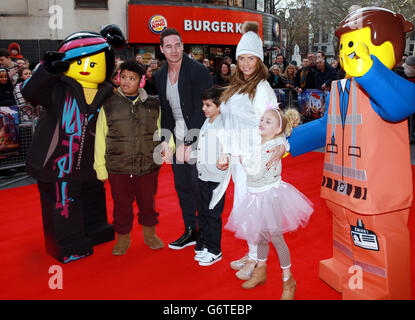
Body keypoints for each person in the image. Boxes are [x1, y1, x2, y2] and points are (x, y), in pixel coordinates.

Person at [21, 25, 125, 263]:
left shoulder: (109, 94)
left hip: (91, 160)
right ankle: (68, 241)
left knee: (92, 195)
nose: (87, 69)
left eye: (93, 63)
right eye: (80, 63)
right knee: (63, 199)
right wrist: (46, 71)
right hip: (58, 161)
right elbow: (30, 91)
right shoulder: (57, 89)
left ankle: (96, 228)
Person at [216, 21, 287, 281]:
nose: (246, 63)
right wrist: (225, 150)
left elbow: (274, 123)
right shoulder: (236, 86)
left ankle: (258, 262)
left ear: (260, 60)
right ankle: (252, 254)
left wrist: (274, 150)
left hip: (253, 161)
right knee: (245, 210)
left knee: (253, 212)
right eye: (242, 58)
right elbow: (227, 123)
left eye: (251, 58)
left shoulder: (261, 88)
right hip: (239, 160)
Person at [225, 106, 313, 298]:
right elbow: (280, 142)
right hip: (257, 196)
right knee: (262, 235)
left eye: (268, 121)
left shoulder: (269, 148)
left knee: (276, 237)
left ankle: (288, 280)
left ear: (277, 130)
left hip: (269, 197)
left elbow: (255, 171)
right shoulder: (266, 143)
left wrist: (243, 159)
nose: (262, 123)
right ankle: (261, 271)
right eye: (262, 119)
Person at [94, 59, 163, 255]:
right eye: (122, 77)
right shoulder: (109, 105)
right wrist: (100, 166)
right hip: (119, 167)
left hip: (148, 166)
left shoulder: (153, 104)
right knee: (121, 206)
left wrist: (169, 147)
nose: (125, 82)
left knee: (148, 204)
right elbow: (100, 137)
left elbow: (161, 131)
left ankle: (150, 235)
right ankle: (123, 238)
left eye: (131, 78)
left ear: (141, 81)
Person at [153, 27, 213, 250]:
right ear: (161, 49)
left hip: (200, 134)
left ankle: (206, 234)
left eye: (177, 45)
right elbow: (165, 112)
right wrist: (165, 141)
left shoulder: (197, 70)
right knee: (182, 186)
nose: (174, 50)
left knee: (199, 186)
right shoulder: (159, 76)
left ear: (183, 45)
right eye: (168, 46)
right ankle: (190, 230)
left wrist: (190, 141)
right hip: (177, 135)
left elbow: (206, 107)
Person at [186, 85, 228, 266]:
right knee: (203, 211)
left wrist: (224, 155)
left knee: (213, 214)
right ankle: (205, 245)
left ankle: (215, 250)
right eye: (203, 105)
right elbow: (204, 147)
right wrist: (193, 155)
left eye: (208, 105)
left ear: (220, 106)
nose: (204, 109)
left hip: (218, 178)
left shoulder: (224, 124)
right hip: (204, 175)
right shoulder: (208, 121)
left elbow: (228, 146)